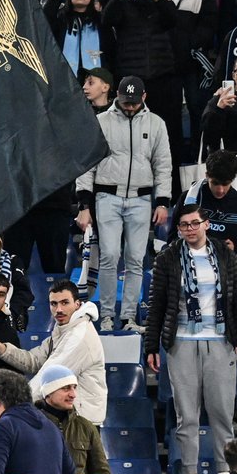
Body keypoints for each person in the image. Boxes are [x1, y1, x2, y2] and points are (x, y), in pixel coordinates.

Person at [145, 202, 237, 474]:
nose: (189, 229)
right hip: (181, 343)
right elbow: (157, 305)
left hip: (221, 341)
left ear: (206, 224)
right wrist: (151, 346)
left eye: (194, 223)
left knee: (222, 414)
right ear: (178, 229)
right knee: (186, 416)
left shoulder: (225, 254)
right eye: (183, 225)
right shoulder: (167, 257)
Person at [76, 75, 173, 331]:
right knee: (109, 255)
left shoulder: (156, 124)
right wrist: (84, 204)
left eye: (133, 102)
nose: (129, 107)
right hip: (107, 196)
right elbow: (86, 164)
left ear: (144, 97)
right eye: (124, 101)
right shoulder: (100, 122)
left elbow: (163, 165)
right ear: (116, 96)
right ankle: (107, 315)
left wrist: (162, 201)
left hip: (141, 199)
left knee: (136, 259)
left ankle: (129, 317)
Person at [0, 281, 107, 424]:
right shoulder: (63, 330)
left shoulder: (79, 336)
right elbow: (34, 361)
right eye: (54, 304)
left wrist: (14, 408)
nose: (59, 309)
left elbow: (49, 377)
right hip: (68, 418)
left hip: (80, 424)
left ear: (77, 304)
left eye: (65, 303)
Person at [33, 363, 112, 474]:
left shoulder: (86, 427)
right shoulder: (28, 425)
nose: (73, 394)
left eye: (74, 387)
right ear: (48, 391)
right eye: (66, 388)